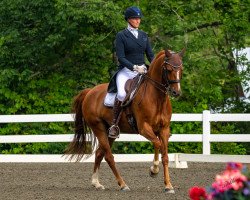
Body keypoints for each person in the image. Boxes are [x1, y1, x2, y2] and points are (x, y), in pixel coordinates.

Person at [108, 6, 154, 138]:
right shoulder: (121, 35)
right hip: (126, 71)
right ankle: (114, 125)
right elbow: (121, 57)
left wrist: (154, 65)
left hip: (142, 71)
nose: (138, 21)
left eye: (139, 18)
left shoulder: (144, 36)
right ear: (128, 20)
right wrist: (134, 67)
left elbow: (150, 55)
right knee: (122, 94)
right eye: (135, 18)